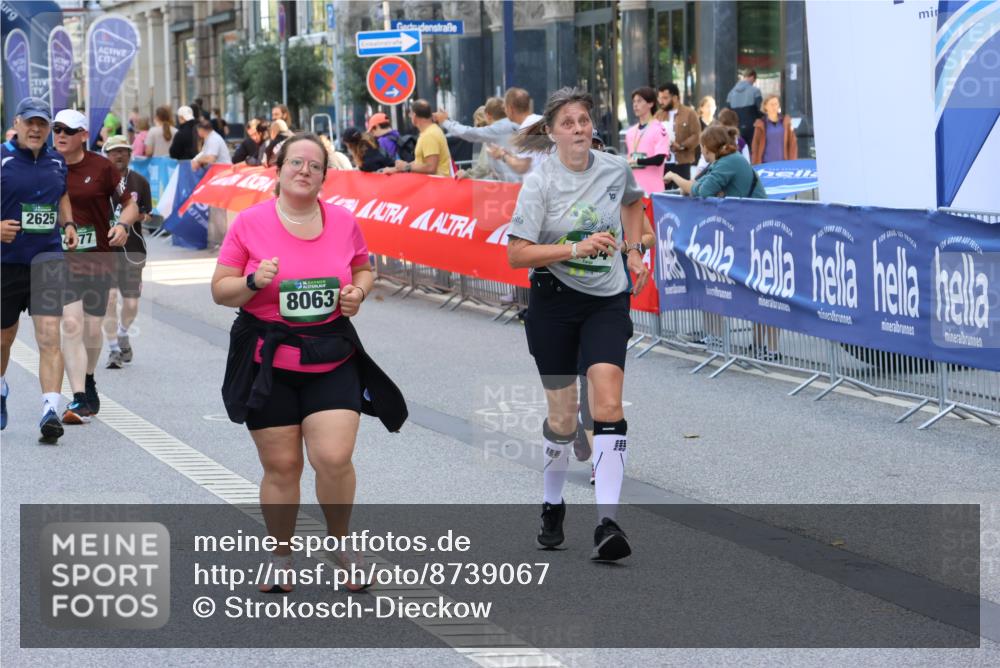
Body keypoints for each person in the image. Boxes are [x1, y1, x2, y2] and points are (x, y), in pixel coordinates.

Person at [212, 133, 406, 592]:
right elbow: (220, 290)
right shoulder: (250, 224)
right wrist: (253, 281)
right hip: (268, 360)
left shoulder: (342, 221)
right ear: (277, 171)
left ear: (324, 175)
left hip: (331, 353)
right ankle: (281, 556)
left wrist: (357, 291)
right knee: (282, 467)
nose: (304, 170)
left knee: (333, 457)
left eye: (313, 165)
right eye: (295, 162)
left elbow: (362, 266)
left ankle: (341, 544)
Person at [507, 87, 649, 562]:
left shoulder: (613, 168)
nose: (579, 129)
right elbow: (516, 254)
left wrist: (632, 250)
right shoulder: (540, 184)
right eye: (568, 123)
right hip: (553, 303)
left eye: (584, 120)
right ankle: (552, 504)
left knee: (607, 399)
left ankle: (607, 522)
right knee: (564, 419)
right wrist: (573, 249)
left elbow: (633, 203)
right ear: (551, 132)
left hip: (606, 300)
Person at [52, 109, 138, 424]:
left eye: (68, 130)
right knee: (71, 324)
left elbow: (129, 203)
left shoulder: (101, 168)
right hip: (60, 259)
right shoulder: (47, 165)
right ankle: (77, 398)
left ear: (84, 135)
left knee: (91, 328)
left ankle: (88, 379)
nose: (60, 135)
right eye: (57, 128)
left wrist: (124, 226)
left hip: (99, 258)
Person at [1, 97, 78, 443]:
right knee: (4, 338)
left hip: (47, 259)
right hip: (6, 263)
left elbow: (61, 196)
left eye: (42, 124)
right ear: (16, 123)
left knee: (50, 336)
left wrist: (70, 223)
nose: (36, 129)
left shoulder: (56, 162)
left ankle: (50, 409)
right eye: (29, 123)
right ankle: (1, 387)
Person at [664, 124, 776, 360]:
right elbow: (696, 188)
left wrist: (674, 176)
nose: (701, 153)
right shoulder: (724, 162)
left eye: (702, 148)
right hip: (745, 229)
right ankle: (756, 346)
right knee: (743, 287)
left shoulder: (729, 162)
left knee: (761, 289)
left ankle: (769, 349)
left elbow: (700, 191)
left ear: (706, 147)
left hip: (755, 229)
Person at [101, 135, 152, 369]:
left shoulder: (140, 182)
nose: (119, 155)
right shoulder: (97, 182)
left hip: (133, 250)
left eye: (123, 151)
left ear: (130, 155)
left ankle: (122, 334)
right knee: (109, 298)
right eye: (114, 152)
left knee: (131, 304)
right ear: (107, 155)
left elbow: (146, 213)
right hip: (105, 250)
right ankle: (113, 350)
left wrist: (133, 217)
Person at [434, 96, 520, 182]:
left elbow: (468, 133)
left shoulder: (496, 130)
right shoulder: (515, 125)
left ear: (488, 115)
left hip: (511, 184)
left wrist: (445, 121)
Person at [382, 100, 452, 177]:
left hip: (436, 186)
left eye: (410, 114)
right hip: (434, 185)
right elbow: (420, 162)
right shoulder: (430, 131)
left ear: (414, 116)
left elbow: (431, 167)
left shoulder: (429, 135)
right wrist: (397, 169)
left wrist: (406, 167)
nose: (410, 116)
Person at [624, 87, 670, 195]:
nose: (635, 105)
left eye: (639, 101)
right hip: (634, 192)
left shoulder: (659, 129)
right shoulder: (630, 132)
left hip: (653, 192)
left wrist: (637, 161)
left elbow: (659, 159)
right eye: (634, 101)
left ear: (650, 104)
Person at [656, 83, 701, 185]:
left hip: (682, 162)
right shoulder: (658, 115)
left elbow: (696, 135)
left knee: (681, 194)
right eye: (659, 98)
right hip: (663, 163)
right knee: (663, 195)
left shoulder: (690, 113)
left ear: (675, 98)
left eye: (665, 98)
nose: (661, 101)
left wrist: (681, 146)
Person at [751, 95, 798, 165]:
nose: (774, 106)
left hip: (784, 163)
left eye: (776, 104)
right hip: (765, 164)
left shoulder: (786, 121)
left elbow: (793, 143)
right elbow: (755, 146)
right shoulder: (760, 124)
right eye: (771, 104)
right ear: (765, 106)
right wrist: (755, 164)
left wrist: (792, 163)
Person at [725, 69, 763, 147]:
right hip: (753, 128)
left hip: (737, 128)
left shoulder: (730, 94)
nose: (753, 83)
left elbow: (728, 114)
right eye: (754, 80)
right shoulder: (755, 91)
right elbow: (761, 110)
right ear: (752, 77)